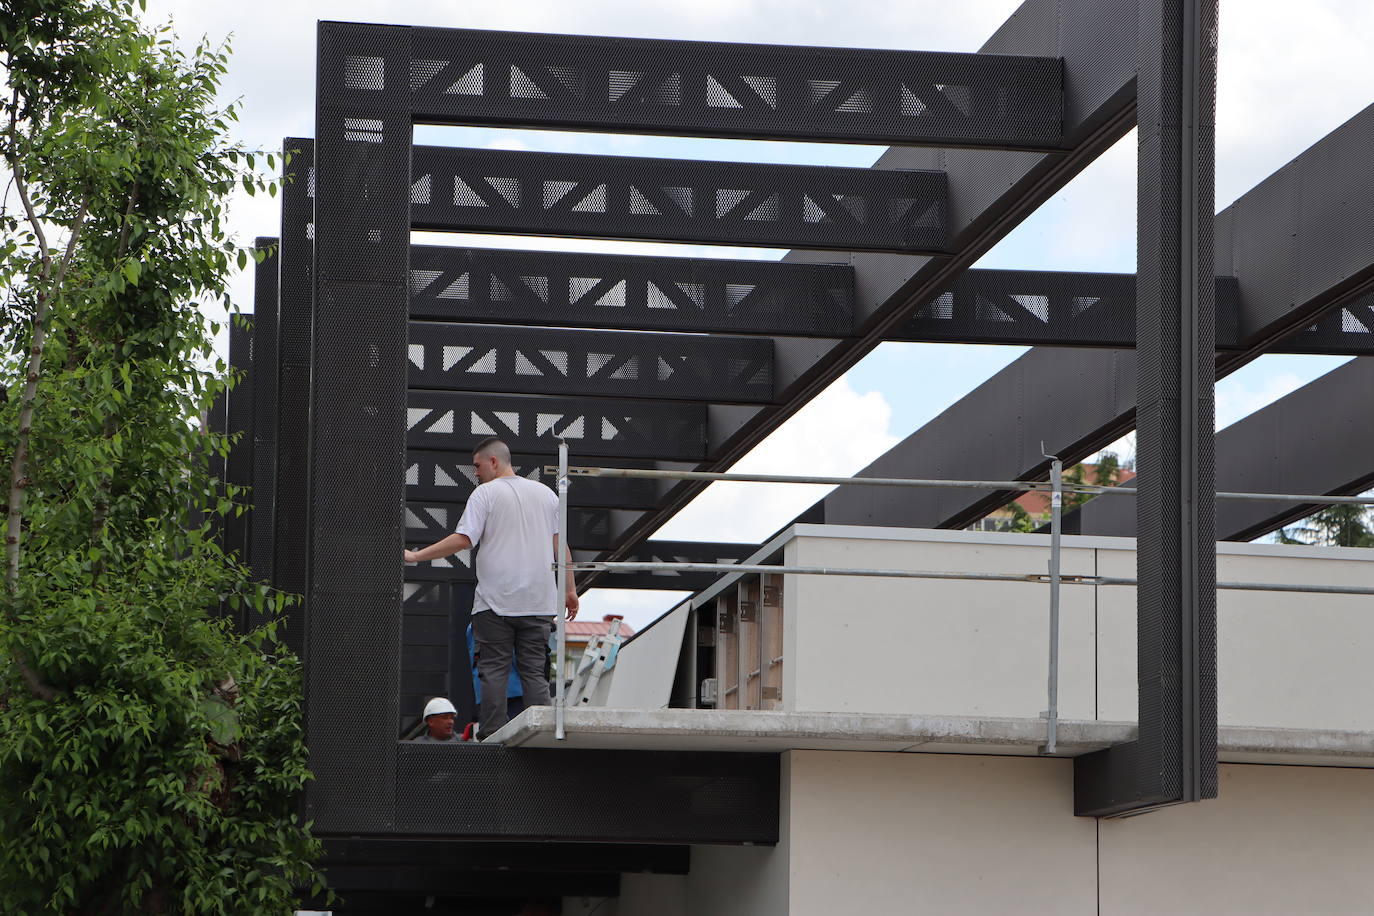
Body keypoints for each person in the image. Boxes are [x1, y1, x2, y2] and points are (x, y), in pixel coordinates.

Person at [404, 437, 578, 740]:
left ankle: (493, 736)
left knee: (494, 670)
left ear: (494, 461)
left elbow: (464, 539)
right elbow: (560, 547)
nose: (476, 472)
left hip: (495, 603)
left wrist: (417, 556)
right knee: (535, 673)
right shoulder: (547, 494)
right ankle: (542, 735)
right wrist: (569, 590)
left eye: (477, 465)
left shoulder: (485, 494)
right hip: (538, 603)